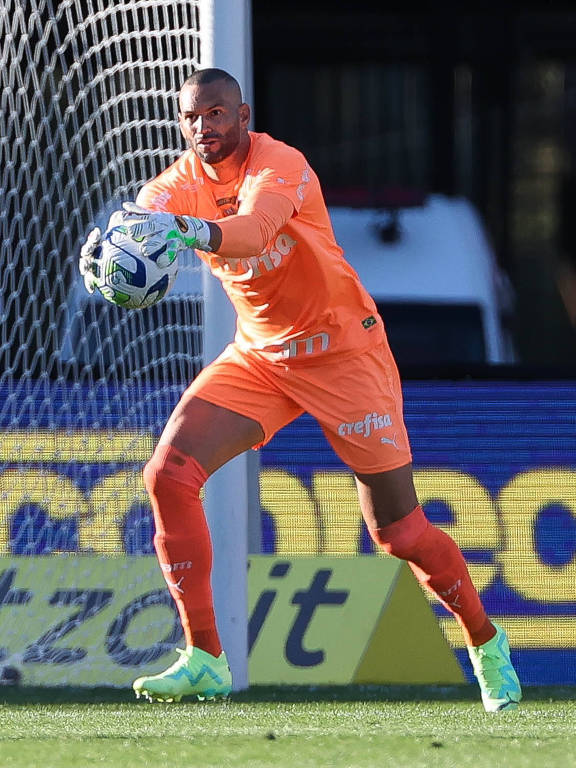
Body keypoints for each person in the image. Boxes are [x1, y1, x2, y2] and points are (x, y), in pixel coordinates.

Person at [79, 67, 521, 711]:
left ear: (243, 114)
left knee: (399, 533)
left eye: (217, 113)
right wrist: (114, 252)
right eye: (192, 118)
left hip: (344, 353)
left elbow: (255, 232)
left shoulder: (279, 163)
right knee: (168, 476)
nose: (205, 127)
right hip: (261, 358)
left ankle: (486, 642)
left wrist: (192, 231)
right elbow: (144, 218)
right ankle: (204, 657)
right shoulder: (178, 181)